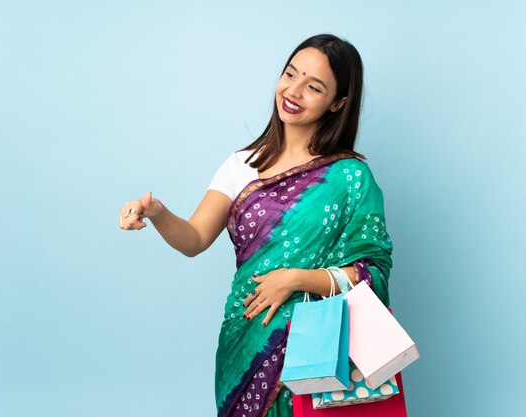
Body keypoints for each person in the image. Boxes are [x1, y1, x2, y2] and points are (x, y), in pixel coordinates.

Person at [118, 33, 393, 417]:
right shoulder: (241, 164)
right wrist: (158, 212)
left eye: (313, 87)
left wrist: (297, 279)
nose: (293, 91)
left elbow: (371, 272)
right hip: (245, 338)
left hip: (316, 347)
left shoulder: (350, 177)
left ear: (338, 103)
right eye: (290, 74)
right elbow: (195, 239)